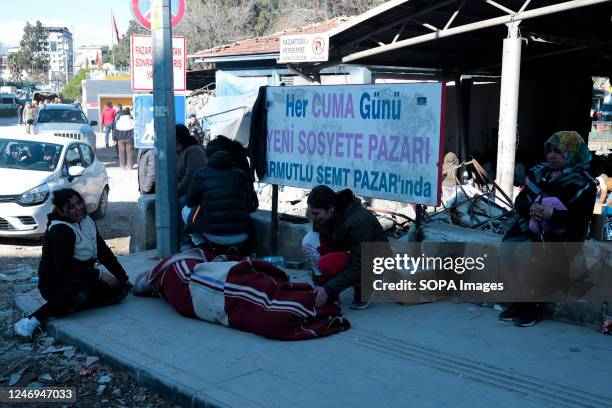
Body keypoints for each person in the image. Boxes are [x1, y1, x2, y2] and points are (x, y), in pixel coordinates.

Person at [499, 131, 597, 327]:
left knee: (539, 254)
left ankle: (534, 306)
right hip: (533, 227)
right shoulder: (539, 173)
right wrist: (531, 209)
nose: (551, 155)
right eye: (549, 150)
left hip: (564, 235)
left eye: (558, 152)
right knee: (510, 246)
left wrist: (553, 215)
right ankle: (518, 300)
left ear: (572, 154)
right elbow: (519, 202)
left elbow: (579, 221)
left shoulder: (584, 184)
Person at [13, 189, 130, 340]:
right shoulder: (59, 229)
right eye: (71, 207)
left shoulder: (88, 221)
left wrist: (123, 277)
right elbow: (64, 266)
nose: (78, 208)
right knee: (80, 291)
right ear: (61, 211)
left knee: (120, 290)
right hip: (56, 281)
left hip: (82, 277)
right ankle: (32, 321)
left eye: (79, 203)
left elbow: (104, 253)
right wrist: (99, 275)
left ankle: (71, 304)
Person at [302, 186, 388, 310]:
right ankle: (328, 292)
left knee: (327, 263)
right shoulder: (321, 217)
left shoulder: (359, 220)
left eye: (316, 213)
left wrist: (329, 288)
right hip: (350, 253)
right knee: (309, 241)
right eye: (311, 213)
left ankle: (364, 287)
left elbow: (359, 262)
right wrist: (318, 284)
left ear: (331, 208)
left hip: (374, 259)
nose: (313, 217)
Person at [183, 143, 258, 254]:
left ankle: (202, 246)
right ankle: (234, 247)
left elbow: (190, 201)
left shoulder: (201, 174)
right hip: (242, 233)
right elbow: (251, 204)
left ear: (208, 157)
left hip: (213, 233)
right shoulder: (241, 174)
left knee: (185, 211)